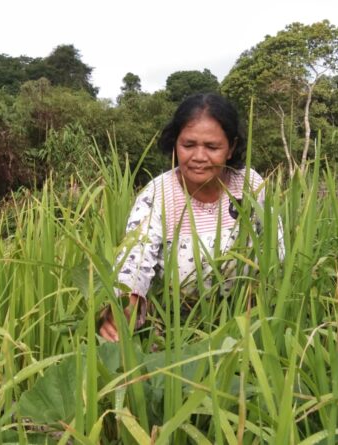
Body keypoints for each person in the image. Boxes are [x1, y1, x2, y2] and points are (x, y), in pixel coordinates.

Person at [98, 93, 283, 342]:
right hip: (172, 329)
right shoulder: (158, 194)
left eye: (212, 147)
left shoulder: (250, 185)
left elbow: (274, 249)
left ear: (231, 148)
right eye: (188, 145)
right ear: (175, 144)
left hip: (243, 322)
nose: (198, 157)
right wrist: (123, 309)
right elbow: (136, 257)